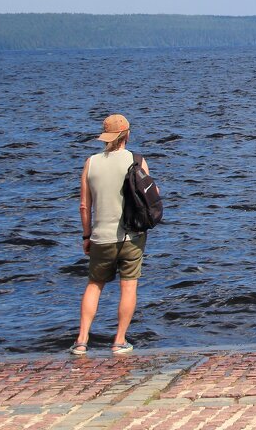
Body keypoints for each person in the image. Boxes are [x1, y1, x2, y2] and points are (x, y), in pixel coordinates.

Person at [70, 114, 155, 355]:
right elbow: (151, 194)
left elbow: (84, 206)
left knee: (94, 285)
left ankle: (81, 340)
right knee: (128, 287)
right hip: (132, 236)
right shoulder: (136, 161)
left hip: (100, 237)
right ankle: (119, 341)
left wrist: (86, 236)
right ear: (127, 134)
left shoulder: (91, 163)